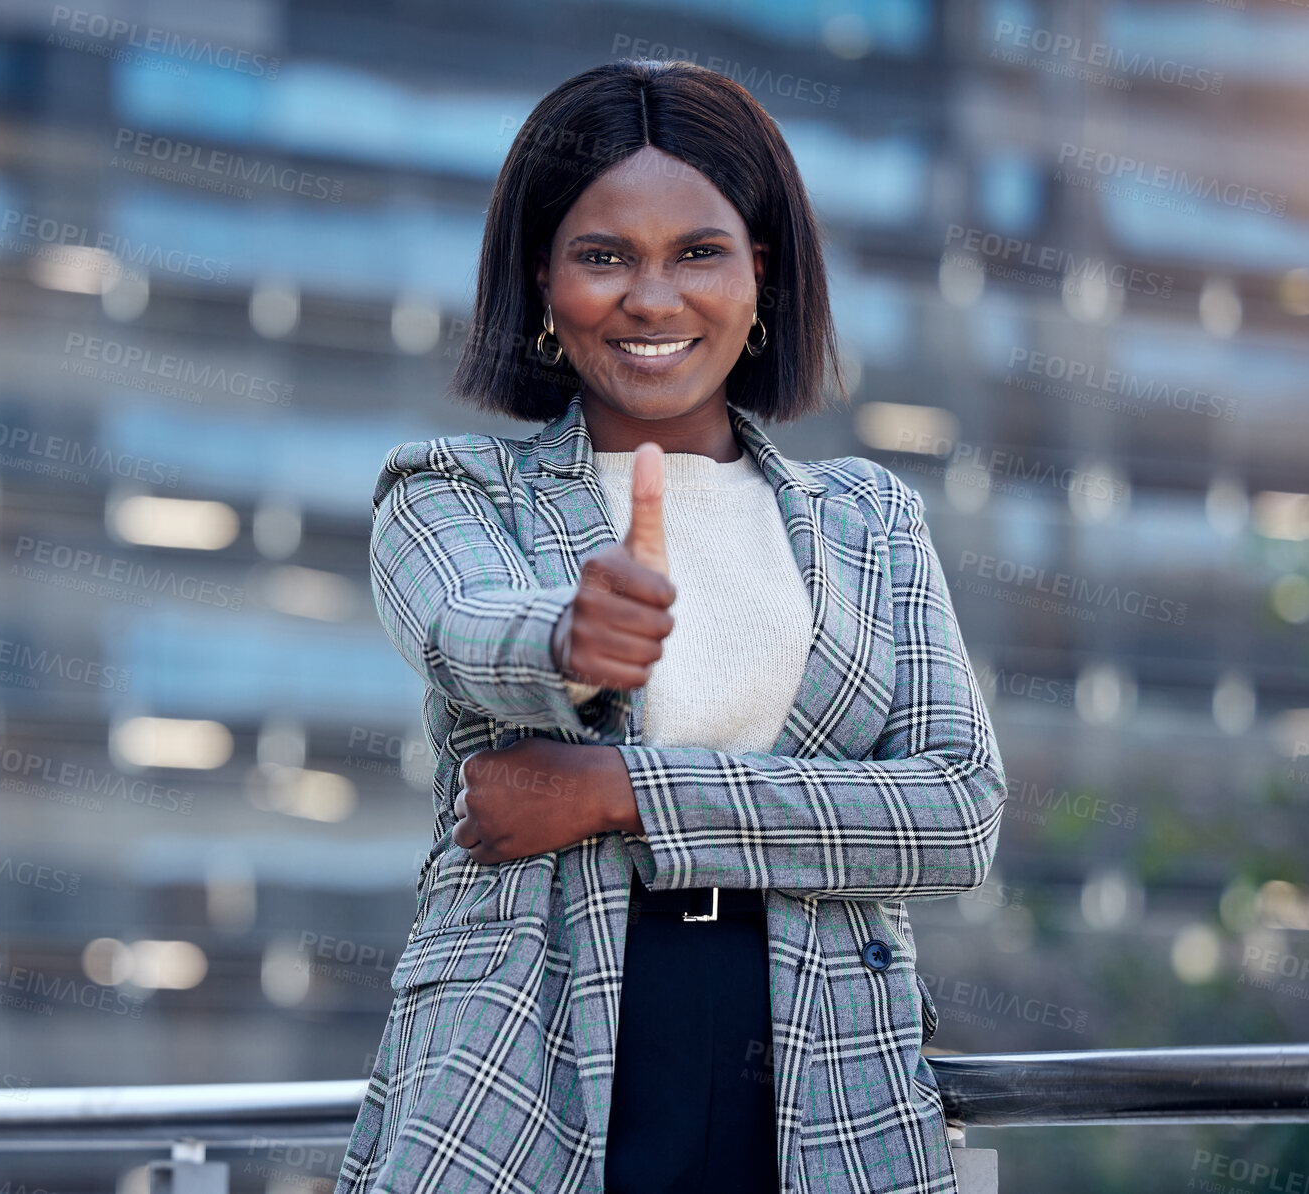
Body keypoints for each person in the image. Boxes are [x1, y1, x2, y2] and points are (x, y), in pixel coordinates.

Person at [335, 58, 1006, 1194]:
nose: (652, 300)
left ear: (762, 274)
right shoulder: (449, 492)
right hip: (522, 1065)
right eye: (602, 256)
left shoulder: (869, 519)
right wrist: (569, 640)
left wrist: (623, 793)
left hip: (822, 1073)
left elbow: (954, 811)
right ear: (540, 284)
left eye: (697, 251)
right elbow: (467, 628)